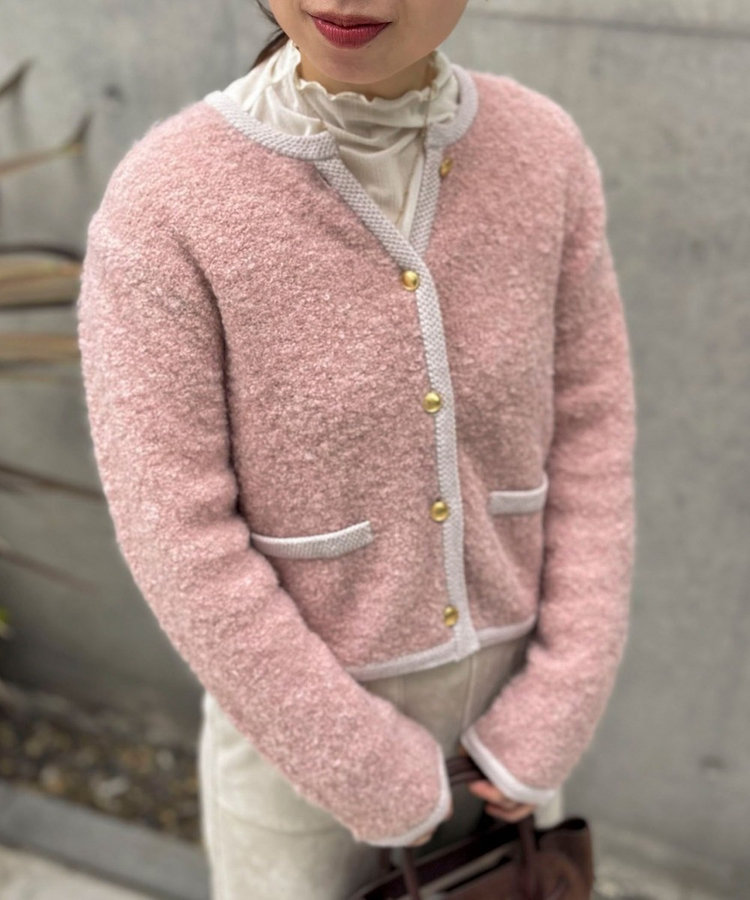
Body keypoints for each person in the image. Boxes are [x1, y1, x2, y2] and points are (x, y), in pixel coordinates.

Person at [75, 0, 637, 897]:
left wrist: (559, 700)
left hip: (514, 731)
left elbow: (592, 433)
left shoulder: (545, 154)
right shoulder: (166, 201)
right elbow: (173, 529)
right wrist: (361, 764)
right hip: (298, 750)